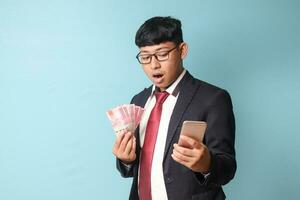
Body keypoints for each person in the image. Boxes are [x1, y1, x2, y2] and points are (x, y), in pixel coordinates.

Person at [112, 16, 236, 200]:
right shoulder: (138, 101)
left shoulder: (214, 98)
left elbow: (227, 168)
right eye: (145, 57)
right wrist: (125, 160)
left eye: (162, 54)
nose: (154, 65)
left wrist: (206, 164)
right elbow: (138, 170)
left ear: (182, 50)